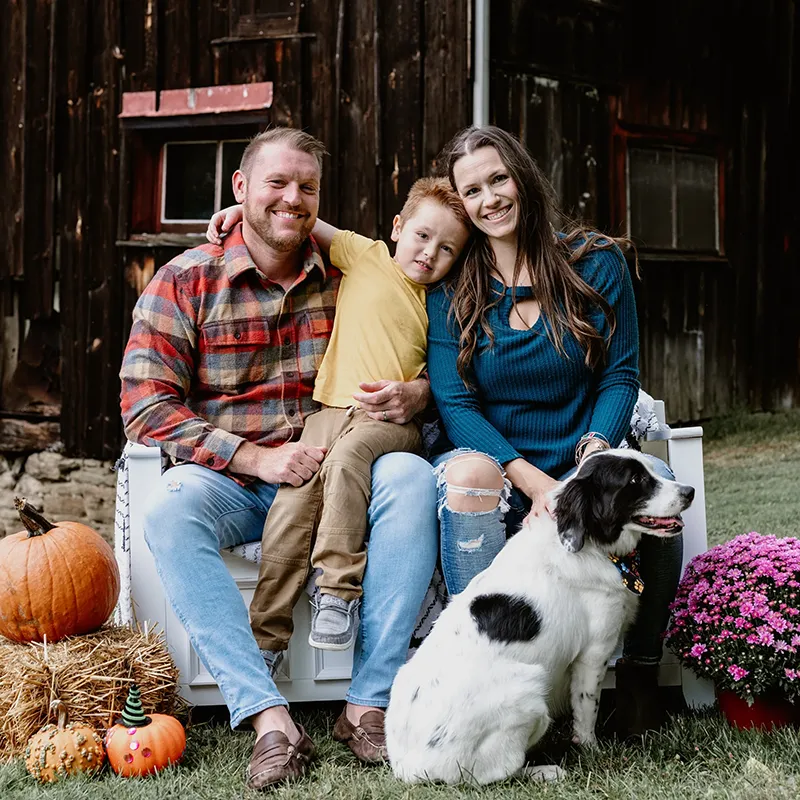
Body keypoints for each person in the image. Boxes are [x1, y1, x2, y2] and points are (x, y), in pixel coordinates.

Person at [120, 127, 439, 791]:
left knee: (409, 475)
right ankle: (270, 720)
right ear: (239, 188)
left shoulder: (356, 273)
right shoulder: (184, 282)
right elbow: (146, 407)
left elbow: (428, 338)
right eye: (276, 183)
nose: (293, 199)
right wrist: (257, 459)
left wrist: (420, 393)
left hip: (343, 470)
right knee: (172, 512)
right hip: (236, 479)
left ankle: (367, 704)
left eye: (307, 188)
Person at [425, 125, 684, 737]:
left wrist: (593, 455)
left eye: (498, 178)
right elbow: (455, 401)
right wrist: (535, 481)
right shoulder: (453, 284)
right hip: (494, 458)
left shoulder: (596, 261)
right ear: (459, 203)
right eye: (472, 191)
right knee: (470, 485)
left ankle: (640, 678)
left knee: (663, 494)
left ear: (524, 176)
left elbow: (619, 375)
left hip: (584, 452)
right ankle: (489, 685)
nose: (489, 198)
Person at [208, 178, 470, 658]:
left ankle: (337, 591)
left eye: (448, 248)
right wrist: (239, 212)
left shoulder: (444, 302)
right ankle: (267, 637)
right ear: (397, 227)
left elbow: (451, 376)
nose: (430, 253)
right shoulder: (366, 255)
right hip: (328, 411)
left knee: (348, 460)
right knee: (293, 497)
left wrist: (418, 392)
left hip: (389, 422)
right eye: (422, 235)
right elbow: (302, 221)